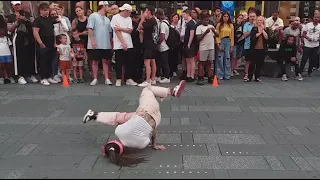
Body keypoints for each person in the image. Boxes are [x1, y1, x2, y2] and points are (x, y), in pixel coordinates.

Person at [82, 80, 186, 167]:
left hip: (156, 119)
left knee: (126, 117)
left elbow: (152, 130)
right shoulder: (119, 131)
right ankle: (171, 91)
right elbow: (128, 122)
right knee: (147, 89)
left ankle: (94, 115)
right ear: (112, 141)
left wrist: (154, 144)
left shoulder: (141, 145)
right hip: (145, 110)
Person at [7, 1, 37, 85]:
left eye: (18, 5)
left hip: (29, 37)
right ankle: (20, 76)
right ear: (12, 6)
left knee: (30, 55)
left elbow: (34, 23)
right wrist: (16, 22)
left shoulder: (27, 14)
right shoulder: (11, 16)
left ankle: (30, 74)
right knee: (19, 57)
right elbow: (9, 29)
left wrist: (25, 19)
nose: (17, 6)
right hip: (18, 38)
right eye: (15, 5)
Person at [86, 1, 113, 86]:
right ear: (103, 6)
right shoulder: (93, 16)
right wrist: (92, 41)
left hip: (105, 43)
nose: (108, 8)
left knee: (105, 61)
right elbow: (89, 28)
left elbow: (109, 32)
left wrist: (110, 43)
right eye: (107, 6)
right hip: (96, 43)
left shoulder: (107, 19)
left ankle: (106, 78)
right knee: (95, 61)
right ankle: (95, 78)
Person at [110, 3, 137, 87]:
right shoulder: (115, 18)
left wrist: (121, 28)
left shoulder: (129, 19)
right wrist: (123, 43)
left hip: (129, 43)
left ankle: (128, 78)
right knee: (119, 62)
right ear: (125, 11)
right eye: (129, 12)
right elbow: (116, 31)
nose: (129, 14)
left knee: (129, 62)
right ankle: (118, 78)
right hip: (119, 44)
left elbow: (129, 30)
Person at [33, 3, 59, 86]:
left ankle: (48, 76)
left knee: (49, 60)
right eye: (44, 10)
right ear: (40, 10)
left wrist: (55, 42)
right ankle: (43, 78)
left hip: (51, 42)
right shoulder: (38, 20)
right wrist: (40, 43)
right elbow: (35, 32)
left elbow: (53, 31)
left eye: (47, 10)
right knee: (43, 61)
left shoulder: (50, 19)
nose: (46, 12)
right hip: (43, 43)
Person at [137, 5, 158, 87]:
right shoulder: (154, 20)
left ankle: (148, 80)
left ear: (149, 11)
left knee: (147, 62)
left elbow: (139, 27)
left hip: (148, 43)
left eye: (146, 11)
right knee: (153, 61)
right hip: (153, 43)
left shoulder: (150, 21)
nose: (144, 13)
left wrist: (142, 18)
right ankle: (153, 78)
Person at [245, 16, 269, 83]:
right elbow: (252, 38)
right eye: (258, 20)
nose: (259, 22)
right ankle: (249, 77)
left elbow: (267, 38)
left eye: (261, 20)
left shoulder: (266, 29)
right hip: (254, 49)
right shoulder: (254, 29)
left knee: (260, 64)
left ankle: (257, 77)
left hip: (262, 49)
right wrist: (259, 33)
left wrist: (263, 30)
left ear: (263, 21)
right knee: (252, 64)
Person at [195, 13, 217, 85]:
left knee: (209, 62)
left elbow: (217, 35)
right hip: (203, 48)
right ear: (202, 20)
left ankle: (209, 77)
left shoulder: (211, 26)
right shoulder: (199, 27)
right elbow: (198, 39)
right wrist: (205, 32)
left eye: (207, 20)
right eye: (205, 20)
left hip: (211, 47)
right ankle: (200, 77)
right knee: (201, 62)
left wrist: (213, 31)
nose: (206, 22)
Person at [298, 12, 320, 79]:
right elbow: (303, 34)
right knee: (304, 58)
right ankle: (300, 72)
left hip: (315, 45)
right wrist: (308, 38)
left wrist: (318, 39)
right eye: (315, 17)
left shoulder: (319, 26)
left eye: (317, 17)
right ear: (313, 18)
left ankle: (309, 72)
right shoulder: (308, 25)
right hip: (307, 45)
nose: (316, 18)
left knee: (312, 59)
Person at [51, 9, 69, 83]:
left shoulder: (63, 20)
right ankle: (55, 74)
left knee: (64, 58)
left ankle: (65, 74)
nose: (54, 16)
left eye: (55, 14)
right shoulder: (50, 22)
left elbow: (66, 29)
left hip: (64, 40)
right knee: (55, 59)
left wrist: (61, 21)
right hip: (56, 41)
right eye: (52, 14)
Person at [215, 12, 234, 80]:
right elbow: (217, 35)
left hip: (228, 41)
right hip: (221, 41)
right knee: (220, 58)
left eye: (227, 16)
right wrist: (218, 44)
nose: (226, 18)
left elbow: (232, 36)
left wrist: (232, 46)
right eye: (224, 16)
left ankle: (227, 75)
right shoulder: (219, 25)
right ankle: (220, 74)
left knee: (227, 58)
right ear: (222, 17)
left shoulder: (231, 25)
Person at [155, 8, 170, 84]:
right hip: (163, 46)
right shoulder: (166, 22)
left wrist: (158, 43)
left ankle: (167, 77)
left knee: (164, 62)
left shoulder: (163, 24)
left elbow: (162, 36)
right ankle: (159, 75)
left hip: (163, 46)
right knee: (160, 62)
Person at [182, 10, 197, 82]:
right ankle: (188, 75)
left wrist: (189, 44)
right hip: (186, 43)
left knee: (191, 60)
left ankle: (192, 75)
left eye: (184, 14)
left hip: (190, 44)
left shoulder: (191, 23)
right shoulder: (187, 23)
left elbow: (192, 34)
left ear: (188, 14)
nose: (183, 16)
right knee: (187, 60)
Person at [242, 11, 256, 81]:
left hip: (256, 46)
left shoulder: (258, 24)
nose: (252, 18)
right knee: (247, 61)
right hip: (247, 45)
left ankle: (252, 74)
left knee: (254, 61)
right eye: (251, 17)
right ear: (248, 17)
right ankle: (246, 73)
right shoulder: (246, 25)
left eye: (253, 16)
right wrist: (252, 29)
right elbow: (244, 35)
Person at [0, 15, 13, 84]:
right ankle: (2, 77)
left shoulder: (6, 38)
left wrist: (11, 53)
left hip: (7, 54)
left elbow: (10, 46)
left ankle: (8, 77)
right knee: (1, 66)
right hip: (1, 54)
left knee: (8, 66)